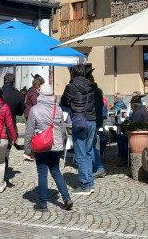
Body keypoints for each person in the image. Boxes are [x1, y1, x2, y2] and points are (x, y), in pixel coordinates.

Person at [24, 83, 73, 212]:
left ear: (40, 94)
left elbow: (29, 131)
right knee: (56, 171)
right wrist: (61, 145)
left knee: (42, 173)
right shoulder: (57, 109)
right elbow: (62, 129)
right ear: (51, 94)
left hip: (41, 145)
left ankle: (43, 203)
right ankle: (66, 198)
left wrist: (28, 149)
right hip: (56, 145)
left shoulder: (35, 109)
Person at [60, 65, 96, 195]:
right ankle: (90, 183)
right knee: (88, 152)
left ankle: (85, 185)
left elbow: (63, 102)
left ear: (73, 73)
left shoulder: (71, 86)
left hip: (80, 121)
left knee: (80, 154)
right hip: (92, 120)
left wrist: (70, 104)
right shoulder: (91, 85)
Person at [117, 94, 148, 165]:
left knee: (120, 137)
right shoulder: (144, 110)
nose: (131, 108)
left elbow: (134, 127)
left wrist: (126, 126)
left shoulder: (137, 113)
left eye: (131, 106)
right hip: (145, 134)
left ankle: (124, 158)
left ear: (134, 105)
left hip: (139, 136)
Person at [88, 73, 107, 178]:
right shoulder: (98, 91)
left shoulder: (93, 92)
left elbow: (93, 108)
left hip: (93, 121)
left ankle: (99, 168)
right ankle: (95, 166)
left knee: (90, 145)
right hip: (97, 121)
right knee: (92, 144)